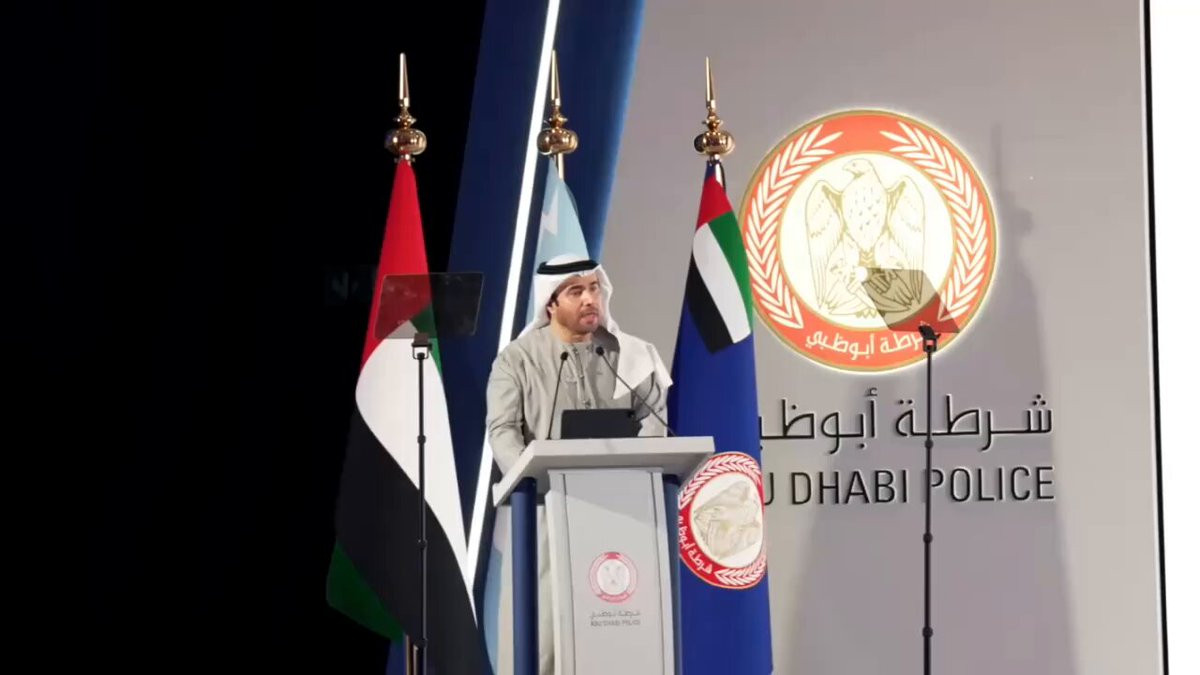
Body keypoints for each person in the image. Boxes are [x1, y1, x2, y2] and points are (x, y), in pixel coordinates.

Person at [483, 255, 671, 674]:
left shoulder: (630, 355)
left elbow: (654, 420)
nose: (590, 299)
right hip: (544, 513)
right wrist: (529, 474)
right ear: (550, 303)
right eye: (576, 291)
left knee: (620, 627)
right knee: (545, 636)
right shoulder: (517, 360)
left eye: (594, 288)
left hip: (620, 514)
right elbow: (502, 431)